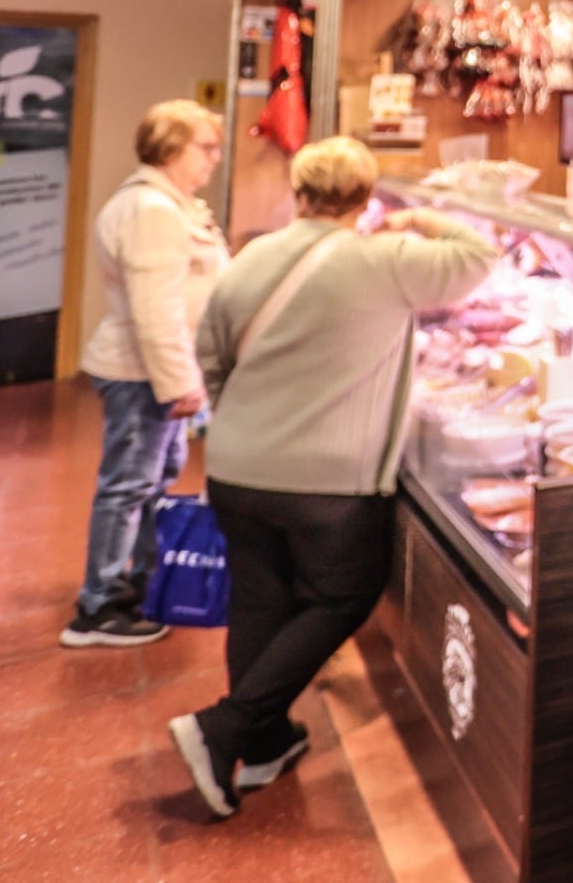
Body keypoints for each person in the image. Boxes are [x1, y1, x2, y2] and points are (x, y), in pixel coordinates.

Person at [169, 137, 495, 817]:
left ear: (299, 190)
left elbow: (210, 349)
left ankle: (262, 747)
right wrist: (420, 219)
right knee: (342, 598)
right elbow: (478, 257)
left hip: (238, 466)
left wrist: (245, 423)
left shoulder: (254, 252)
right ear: (366, 198)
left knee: (260, 601)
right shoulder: (381, 259)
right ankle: (223, 728)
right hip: (330, 482)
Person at [65, 100, 229, 648]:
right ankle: (100, 607)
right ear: (171, 148)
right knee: (129, 487)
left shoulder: (169, 204)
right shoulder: (152, 211)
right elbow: (155, 311)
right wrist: (180, 384)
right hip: (142, 372)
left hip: (154, 372)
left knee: (150, 481)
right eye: (206, 147)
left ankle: (133, 581)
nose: (215, 158)